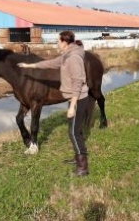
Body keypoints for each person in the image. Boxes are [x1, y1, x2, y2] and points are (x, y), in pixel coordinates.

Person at [18, 30, 89, 176]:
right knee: (75, 131)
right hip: (73, 98)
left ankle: (82, 168)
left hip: (78, 98)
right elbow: (51, 63)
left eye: (58, 41)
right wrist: (29, 66)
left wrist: (73, 104)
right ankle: (78, 158)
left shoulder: (73, 57)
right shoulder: (67, 55)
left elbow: (78, 81)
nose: (57, 43)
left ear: (64, 42)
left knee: (74, 133)